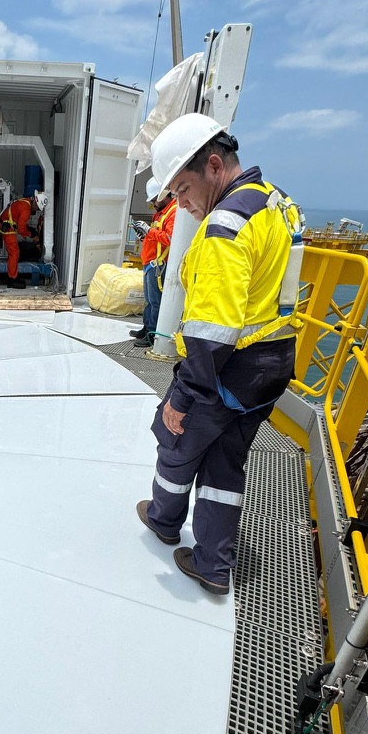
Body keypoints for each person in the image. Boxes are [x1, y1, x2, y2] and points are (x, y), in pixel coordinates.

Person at [136, 113, 303, 596]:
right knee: (225, 463)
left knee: (176, 443)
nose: (182, 204)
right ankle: (212, 563)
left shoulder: (224, 227)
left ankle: (164, 520)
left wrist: (181, 398)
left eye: (184, 190)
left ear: (213, 165)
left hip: (227, 370)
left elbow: (212, 332)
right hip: (272, 363)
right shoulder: (274, 202)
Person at [129, 176, 177, 347]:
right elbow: (158, 237)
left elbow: (170, 238)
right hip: (151, 261)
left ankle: (151, 334)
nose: (152, 203)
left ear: (163, 195)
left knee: (155, 301)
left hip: (158, 264)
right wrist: (145, 235)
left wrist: (148, 231)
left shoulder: (173, 212)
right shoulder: (162, 212)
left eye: (154, 199)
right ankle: (146, 328)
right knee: (149, 300)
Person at [0, 190, 48, 288]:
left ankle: (13, 277)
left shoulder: (26, 201)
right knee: (14, 253)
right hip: (7, 228)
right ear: (35, 203)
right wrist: (31, 235)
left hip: (6, 225)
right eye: (37, 208)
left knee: (13, 253)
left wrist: (29, 231)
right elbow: (21, 229)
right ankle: (12, 280)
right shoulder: (26, 209)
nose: (36, 210)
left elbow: (20, 223)